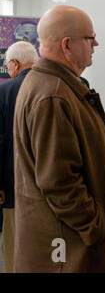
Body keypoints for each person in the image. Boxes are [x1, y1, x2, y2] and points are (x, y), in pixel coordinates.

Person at [13, 5, 105, 273]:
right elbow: (59, 182)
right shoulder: (53, 96)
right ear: (67, 45)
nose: (95, 44)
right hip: (67, 251)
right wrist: (97, 227)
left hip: (69, 244)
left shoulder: (58, 88)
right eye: (90, 37)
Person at [0, 41, 38, 273]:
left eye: (7, 65)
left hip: (15, 185)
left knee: (14, 245)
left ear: (15, 63)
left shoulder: (4, 91)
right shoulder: (57, 85)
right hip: (52, 188)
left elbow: (1, 141)